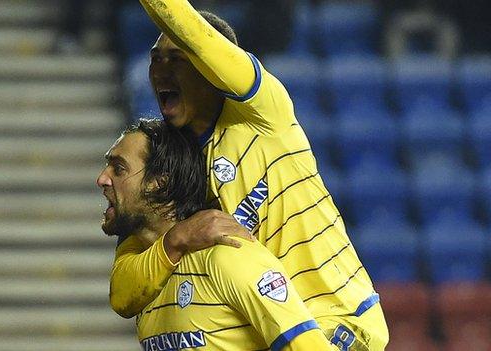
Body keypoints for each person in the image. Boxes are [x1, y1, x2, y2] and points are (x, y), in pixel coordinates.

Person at [110, 1, 389, 350]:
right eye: (155, 59)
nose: (160, 70)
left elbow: (193, 32)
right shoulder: (171, 160)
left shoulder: (262, 112)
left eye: (177, 58)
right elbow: (123, 293)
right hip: (261, 322)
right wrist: (175, 239)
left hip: (334, 319)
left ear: (212, 69)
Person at [97, 119, 335, 351]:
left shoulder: (229, 256)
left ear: (160, 182)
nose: (102, 179)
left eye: (118, 169)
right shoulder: (144, 277)